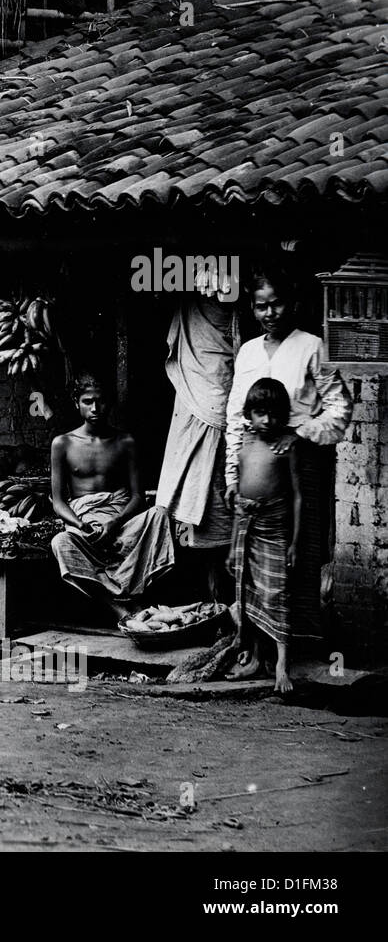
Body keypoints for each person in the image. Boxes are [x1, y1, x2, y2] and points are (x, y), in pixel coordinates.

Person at [224, 262, 350, 647]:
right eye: (261, 306)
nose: (269, 314)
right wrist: (232, 477)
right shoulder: (247, 352)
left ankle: (300, 646)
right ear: (252, 307)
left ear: (290, 303)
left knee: (299, 556)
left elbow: (339, 409)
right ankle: (256, 649)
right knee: (251, 562)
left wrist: (300, 433)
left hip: (301, 465)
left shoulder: (311, 346)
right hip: (256, 467)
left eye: (276, 304)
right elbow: (234, 416)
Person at [49, 372, 175, 619]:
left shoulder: (125, 441)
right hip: (85, 530)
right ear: (77, 403)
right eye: (87, 402)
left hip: (123, 525)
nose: (95, 408)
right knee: (60, 542)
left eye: (101, 401)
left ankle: (134, 597)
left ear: (110, 402)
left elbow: (138, 496)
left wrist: (114, 522)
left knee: (159, 514)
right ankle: (117, 608)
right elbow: (59, 502)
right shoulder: (62, 443)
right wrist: (80, 524)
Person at [155, 294, 237, 584]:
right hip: (195, 399)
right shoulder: (192, 300)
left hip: (221, 399)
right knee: (191, 495)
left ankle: (220, 597)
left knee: (219, 502)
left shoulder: (238, 324)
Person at [227, 379, 302, 693]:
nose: (267, 421)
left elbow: (298, 495)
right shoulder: (243, 443)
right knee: (249, 594)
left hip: (275, 527)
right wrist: (232, 546)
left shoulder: (286, 445)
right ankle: (257, 658)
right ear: (249, 414)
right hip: (248, 528)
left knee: (277, 593)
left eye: (273, 414)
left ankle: (282, 663)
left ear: (282, 415)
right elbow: (239, 505)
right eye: (259, 413)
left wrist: (296, 542)